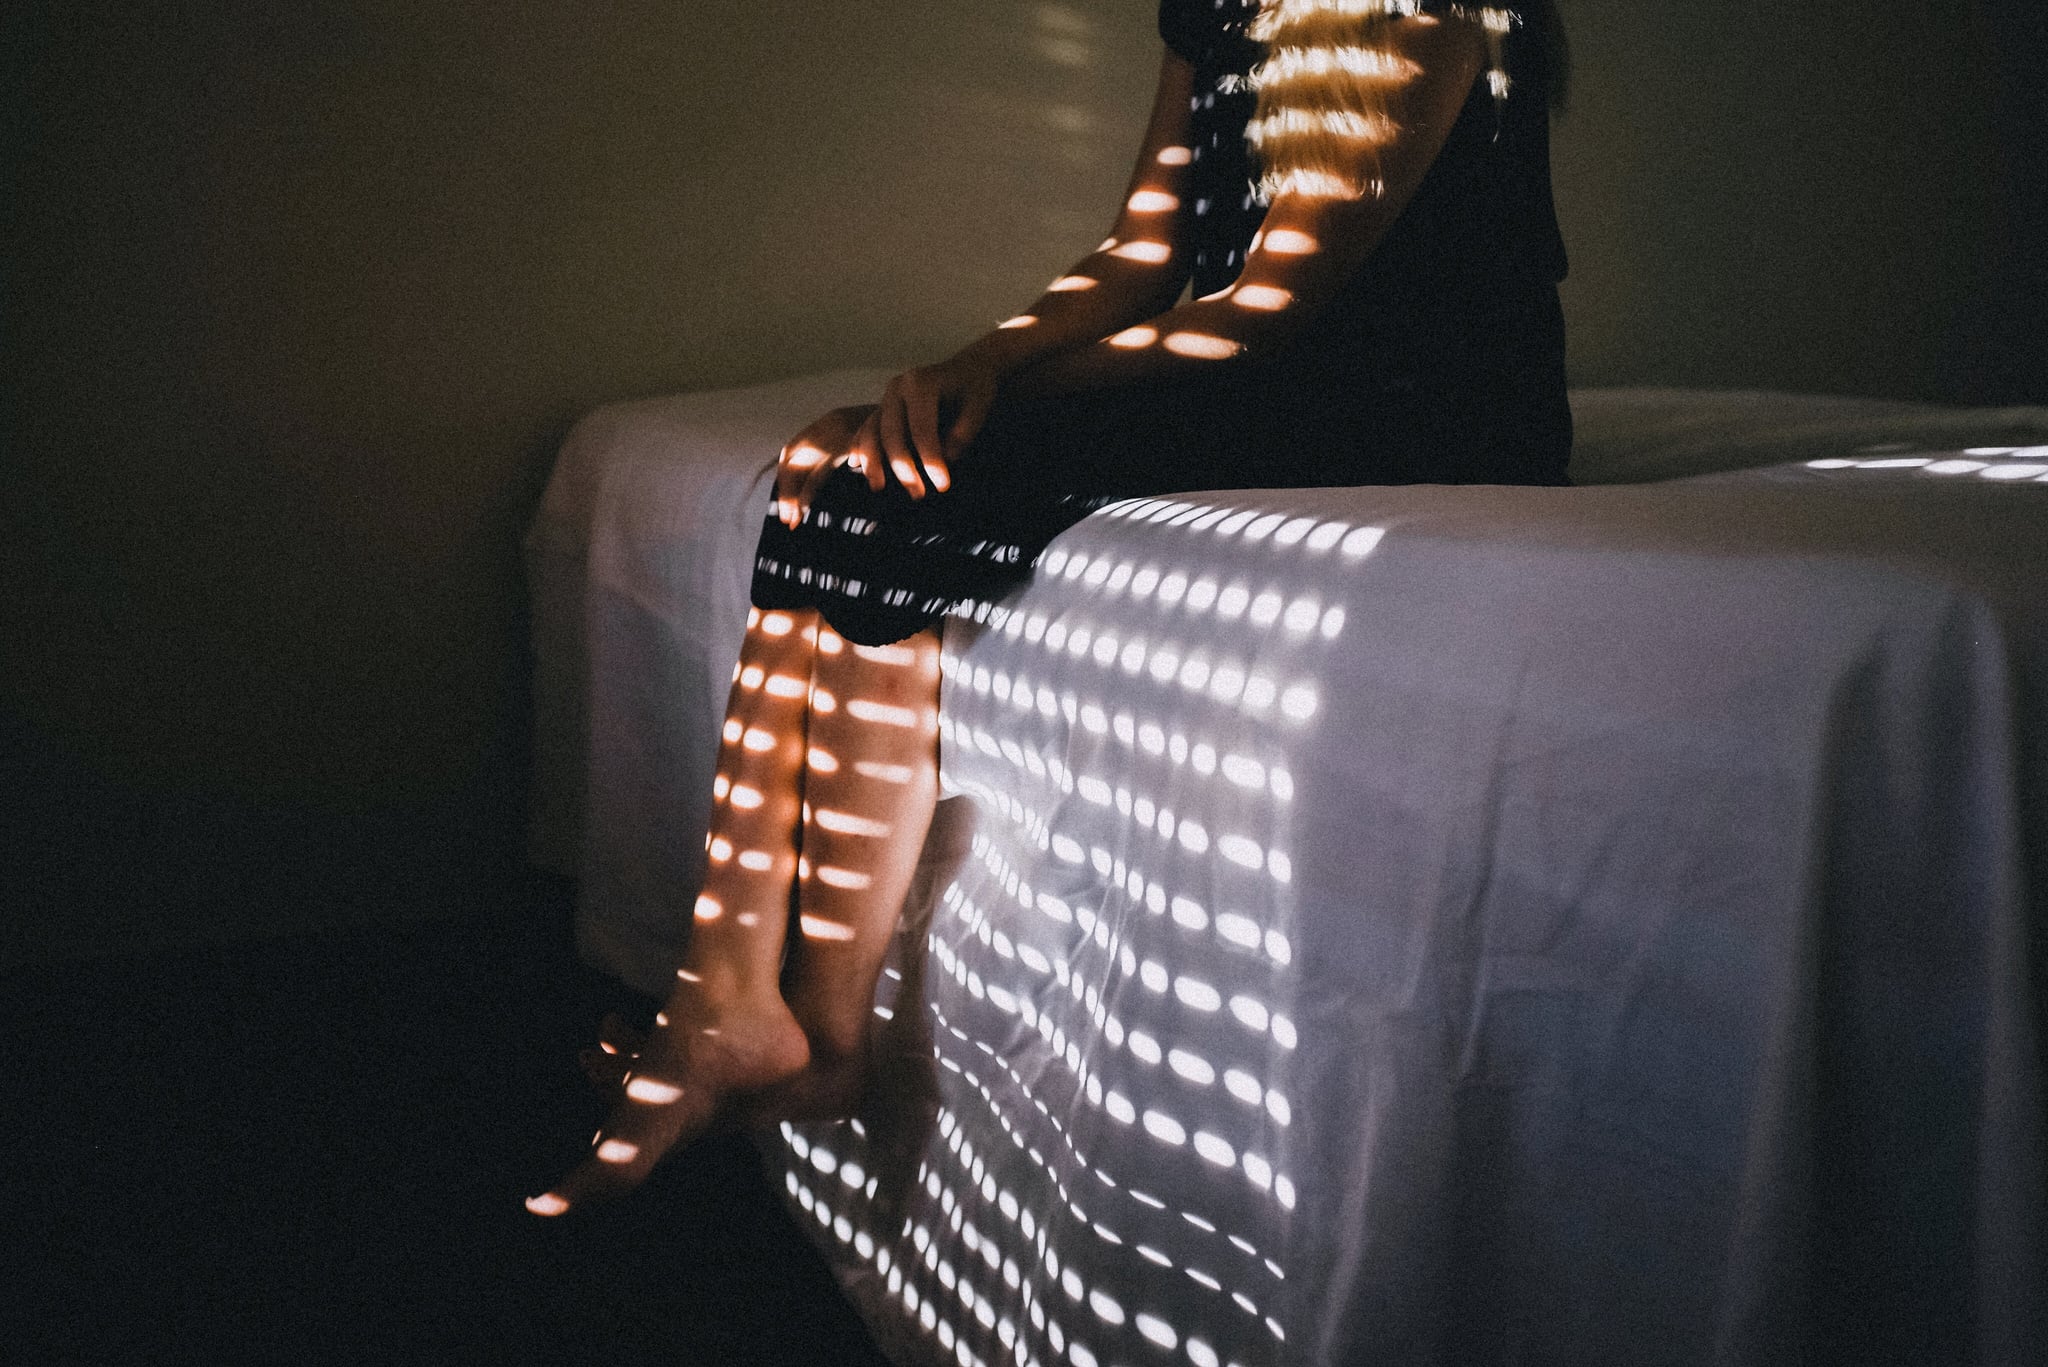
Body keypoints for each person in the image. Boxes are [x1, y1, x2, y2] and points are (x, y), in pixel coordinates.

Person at [528, 0, 1570, 1217]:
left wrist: (993, 400)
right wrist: (971, 364)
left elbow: (1272, 303)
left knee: (877, 468)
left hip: (1421, 400)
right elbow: (1141, 248)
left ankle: (801, 1017)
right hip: (1271, 364)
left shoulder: (1424, 10)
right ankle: (734, 1000)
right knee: (832, 469)